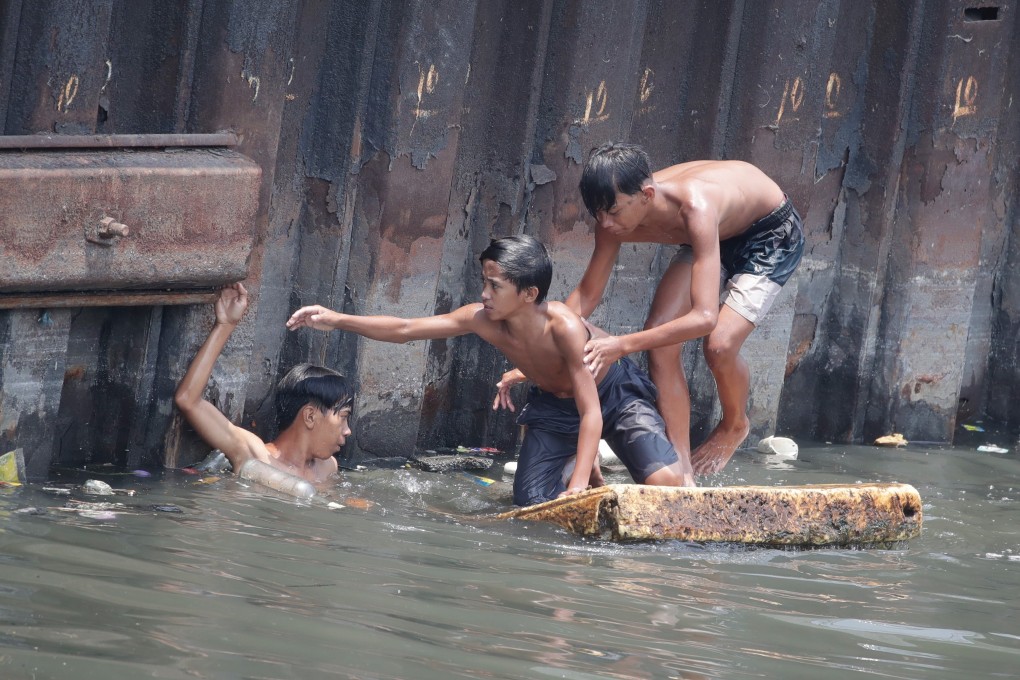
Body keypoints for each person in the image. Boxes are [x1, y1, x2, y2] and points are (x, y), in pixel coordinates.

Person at [286, 235, 687, 506]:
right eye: (484, 282)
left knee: (666, 487)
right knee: (530, 504)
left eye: (495, 286)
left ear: (529, 294)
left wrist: (579, 490)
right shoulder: (481, 319)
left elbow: (592, 413)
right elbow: (407, 330)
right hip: (554, 406)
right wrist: (337, 319)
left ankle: (584, 470)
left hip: (611, 396)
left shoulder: (563, 326)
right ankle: (574, 465)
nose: (484, 294)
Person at [564, 142, 804, 478]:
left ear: (647, 194)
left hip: (768, 232)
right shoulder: (610, 219)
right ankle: (682, 469)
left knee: (719, 345)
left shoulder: (695, 206)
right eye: (598, 213)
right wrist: (543, 336)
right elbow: (587, 295)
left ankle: (735, 424)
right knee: (662, 341)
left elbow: (704, 318)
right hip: (709, 236)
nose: (605, 223)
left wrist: (621, 345)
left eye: (614, 212)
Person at [174, 282, 354, 484]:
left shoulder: (327, 467)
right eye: (343, 417)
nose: (348, 430)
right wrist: (225, 325)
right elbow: (188, 400)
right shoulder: (256, 456)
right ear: (310, 416)